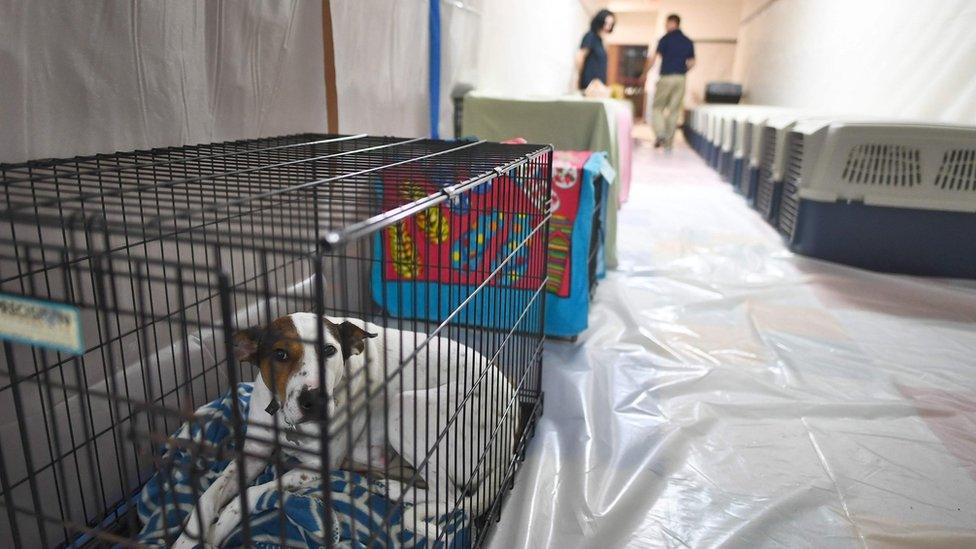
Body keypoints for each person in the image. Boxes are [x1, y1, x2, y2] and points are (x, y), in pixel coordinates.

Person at [642, 14, 695, 150]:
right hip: (681, 78)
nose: (665, 26)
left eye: (666, 23)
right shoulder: (687, 41)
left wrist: (644, 73)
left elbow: (654, 58)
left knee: (657, 107)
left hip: (666, 77)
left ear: (672, 23)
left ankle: (660, 133)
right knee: (674, 110)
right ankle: (668, 144)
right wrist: (682, 71)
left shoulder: (665, 39)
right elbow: (692, 62)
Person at [576, 10, 615, 94]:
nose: (608, 26)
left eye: (610, 24)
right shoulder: (590, 36)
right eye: (606, 23)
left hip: (599, 85)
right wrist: (579, 78)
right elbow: (580, 57)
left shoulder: (601, 41)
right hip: (589, 84)